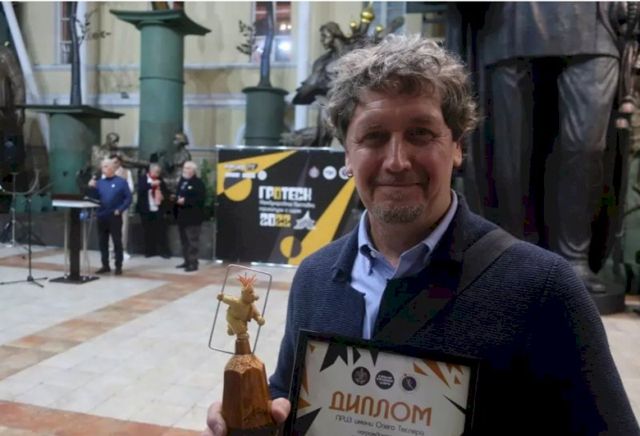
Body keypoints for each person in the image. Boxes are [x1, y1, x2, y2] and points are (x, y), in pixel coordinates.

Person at [204, 35, 639, 435]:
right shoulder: (315, 278)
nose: (397, 161)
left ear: (457, 146)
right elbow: (290, 396)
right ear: (347, 155)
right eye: (374, 137)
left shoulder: (542, 289)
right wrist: (255, 415)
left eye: (420, 134)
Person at [88, 158, 132, 275]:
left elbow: (128, 198)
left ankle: (118, 265)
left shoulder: (121, 182)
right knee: (102, 241)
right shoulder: (100, 183)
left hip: (114, 215)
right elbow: (93, 198)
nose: (103, 169)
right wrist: (91, 187)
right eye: (103, 167)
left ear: (112, 168)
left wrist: (120, 209)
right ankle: (105, 265)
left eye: (106, 166)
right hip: (102, 215)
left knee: (117, 241)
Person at [175, 160, 205, 272]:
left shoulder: (198, 183)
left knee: (192, 241)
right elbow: (178, 194)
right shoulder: (182, 182)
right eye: (184, 168)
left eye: (188, 168)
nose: (185, 170)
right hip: (182, 217)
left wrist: (186, 201)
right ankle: (186, 261)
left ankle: (193, 263)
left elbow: (200, 199)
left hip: (193, 218)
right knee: (184, 241)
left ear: (193, 170)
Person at [136, 163, 171, 258]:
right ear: (150, 171)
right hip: (146, 209)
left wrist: (164, 196)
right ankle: (150, 251)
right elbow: (140, 190)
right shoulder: (143, 179)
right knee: (148, 231)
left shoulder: (160, 180)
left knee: (161, 231)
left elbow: (166, 192)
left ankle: (164, 251)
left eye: (159, 172)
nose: (157, 174)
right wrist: (150, 185)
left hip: (158, 208)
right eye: (156, 172)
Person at [111, 154, 134, 260]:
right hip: (111, 204)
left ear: (120, 162)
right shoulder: (108, 172)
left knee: (123, 227)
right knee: (111, 227)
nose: (114, 164)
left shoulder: (126, 172)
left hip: (122, 203)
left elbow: (131, 188)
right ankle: (112, 250)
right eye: (112, 162)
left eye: (115, 162)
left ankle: (122, 250)